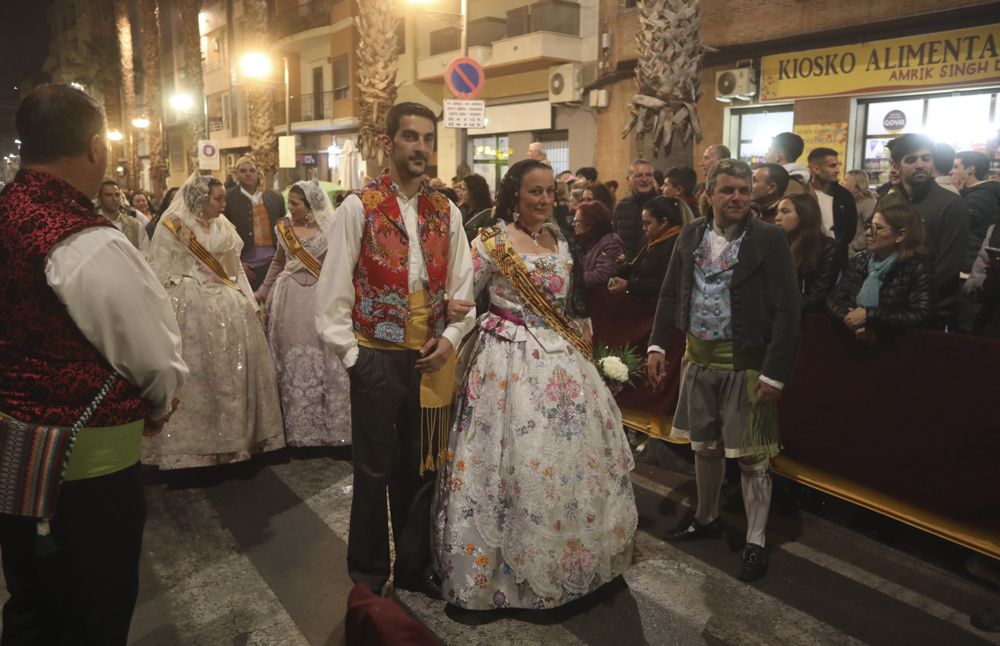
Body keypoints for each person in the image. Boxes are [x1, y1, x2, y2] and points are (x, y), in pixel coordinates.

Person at [0, 84, 187, 645]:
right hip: (86, 467)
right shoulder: (84, 242)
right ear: (94, 148)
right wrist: (159, 405)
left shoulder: (7, 214)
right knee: (94, 611)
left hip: (12, 453)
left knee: (31, 601)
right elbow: (153, 354)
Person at [432, 158, 637, 609]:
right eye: (535, 192)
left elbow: (574, 299)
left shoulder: (560, 240)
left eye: (550, 192)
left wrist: (584, 334)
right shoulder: (490, 242)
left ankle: (570, 567)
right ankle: (502, 580)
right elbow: (463, 297)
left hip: (563, 366)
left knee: (564, 464)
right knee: (511, 464)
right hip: (507, 362)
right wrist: (449, 335)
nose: (545, 200)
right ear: (514, 195)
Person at [316, 102, 476, 597]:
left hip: (429, 359)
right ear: (388, 144)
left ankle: (412, 568)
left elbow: (464, 290)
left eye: (428, 138)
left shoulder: (446, 211)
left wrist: (449, 341)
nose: (421, 147)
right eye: (411, 137)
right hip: (376, 358)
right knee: (372, 472)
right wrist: (354, 358)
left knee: (421, 468)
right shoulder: (358, 207)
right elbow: (333, 295)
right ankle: (366, 574)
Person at [647, 159, 800, 583]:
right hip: (698, 360)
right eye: (728, 190)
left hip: (746, 365)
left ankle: (755, 540)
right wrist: (658, 343)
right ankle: (706, 516)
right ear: (709, 195)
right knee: (705, 448)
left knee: (752, 458)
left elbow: (789, 309)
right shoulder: (692, 234)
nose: (737, 197)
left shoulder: (769, 238)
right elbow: (669, 293)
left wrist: (775, 372)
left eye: (744, 190)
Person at [144, 174, 285, 468]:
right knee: (198, 376)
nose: (224, 204)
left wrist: (249, 301)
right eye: (218, 199)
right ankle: (196, 449)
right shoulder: (174, 226)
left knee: (232, 374)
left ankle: (235, 444)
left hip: (226, 304)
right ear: (199, 199)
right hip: (189, 303)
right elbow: (158, 268)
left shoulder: (224, 227)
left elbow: (235, 271)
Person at [255, 180, 350, 447]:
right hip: (289, 299)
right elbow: (277, 263)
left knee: (325, 358)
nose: (290, 209)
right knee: (294, 359)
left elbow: (340, 265)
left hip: (322, 298)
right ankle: (298, 430)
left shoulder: (331, 229)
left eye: (295, 204)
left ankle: (330, 428)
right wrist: (261, 293)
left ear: (310, 206)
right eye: (290, 204)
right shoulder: (284, 229)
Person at [877, 133, 969, 324]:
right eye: (911, 159)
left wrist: (909, 296)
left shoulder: (952, 204)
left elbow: (948, 266)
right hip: (886, 305)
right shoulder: (888, 202)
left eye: (926, 158)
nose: (920, 164)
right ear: (896, 166)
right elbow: (876, 251)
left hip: (931, 310)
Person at [827, 203, 935, 340]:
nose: (867, 233)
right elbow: (835, 298)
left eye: (877, 228)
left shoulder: (917, 266)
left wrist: (870, 317)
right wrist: (852, 320)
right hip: (854, 338)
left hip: (895, 347)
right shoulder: (861, 259)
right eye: (868, 226)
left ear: (900, 235)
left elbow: (922, 314)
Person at [775, 194, 846, 313]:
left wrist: (780, 309)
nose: (777, 217)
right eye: (777, 212)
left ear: (804, 216)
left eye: (785, 212)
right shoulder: (777, 244)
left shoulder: (828, 248)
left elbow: (817, 296)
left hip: (810, 317)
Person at [225, 156, 287, 290]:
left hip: (273, 263)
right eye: (243, 171)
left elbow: (284, 231)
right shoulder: (227, 198)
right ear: (236, 174)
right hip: (245, 266)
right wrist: (237, 263)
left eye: (252, 170)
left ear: (258, 173)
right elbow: (224, 235)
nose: (248, 174)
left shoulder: (276, 197)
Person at [608, 195, 684, 300]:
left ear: (663, 223)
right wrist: (624, 266)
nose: (644, 228)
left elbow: (665, 283)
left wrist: (628, 285)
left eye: (647, 223)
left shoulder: (676, 244)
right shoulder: (652, 239)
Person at [952, 150, 1000, 273]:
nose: (951, 171)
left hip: (969, 264)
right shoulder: (975, 193)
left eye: (956, 167)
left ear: (970, 169)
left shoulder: (981, 195)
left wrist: (956, 193)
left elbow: (959, 223)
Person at [807, 147, 859, 246]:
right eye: (832, 166)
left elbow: (850, 229)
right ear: (816, 169)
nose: (838, 170)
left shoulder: (844, 196)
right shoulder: (802, 192)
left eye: (837, 165)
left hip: (835, 254)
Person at [612, 158, 658, 260]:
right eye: (639, 176)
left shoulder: (661, 205)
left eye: (648, 175)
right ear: (629, 179)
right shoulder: (621, 206)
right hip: (624, 266)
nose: (644, 180)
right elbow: (615, 237)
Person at [574, 200, 624, 292]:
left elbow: (603, 274)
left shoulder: (611, 243)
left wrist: (573, 280)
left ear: (589, 223)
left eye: (577, 221)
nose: (574, 225)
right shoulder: (583, 241)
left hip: (600, 298)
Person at [97, 179, 150, 251]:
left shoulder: (134, 225)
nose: (114, 199)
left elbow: (145, 251)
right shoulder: (94, 224)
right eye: (109, 195)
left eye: (117, 195)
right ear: (100, 198)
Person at [841, 169, 878, 257]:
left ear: (856, 184)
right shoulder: (848, 200)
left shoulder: (868, 202)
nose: (842, 182)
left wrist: (854, 246)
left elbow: (871, 227)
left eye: (846, 180)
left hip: (858, 253)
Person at [459, 173, 494, 241]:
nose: (461, 193)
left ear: (473, 192)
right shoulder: (461, 210)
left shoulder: (488, 215)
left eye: (464, 190)